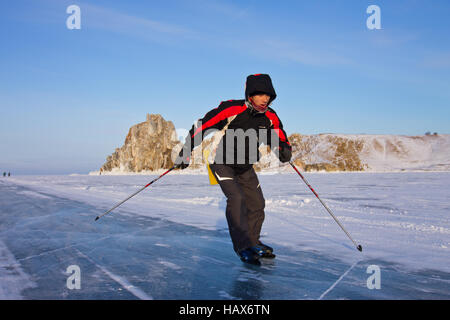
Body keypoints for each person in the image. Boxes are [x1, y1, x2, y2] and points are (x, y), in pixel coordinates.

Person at [175, 74, 292, 265]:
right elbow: (202, 126)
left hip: (245, 166)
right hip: (222, 162)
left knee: (257, 204)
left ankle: (253, 242)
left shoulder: (270, 116)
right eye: (260, 94)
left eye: (268, 95)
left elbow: (278, 136)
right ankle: (243, 247)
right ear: (250, 95)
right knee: (236, 199)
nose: (265, 99)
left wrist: (283, 149)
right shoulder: (232, 109)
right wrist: (186, 152)